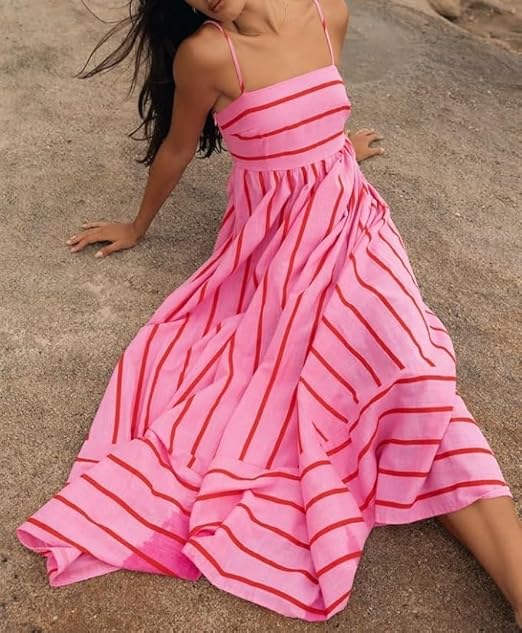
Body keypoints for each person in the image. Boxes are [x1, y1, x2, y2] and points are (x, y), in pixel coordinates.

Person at [16, 0, 521, 624]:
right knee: (389, 384)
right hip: (274, 254)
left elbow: (310, 107)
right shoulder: (207, 53)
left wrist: (335, 148)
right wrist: (137, 225)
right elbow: (176, 148)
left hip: (354, 226)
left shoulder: (326, 12)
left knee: (413, 371)